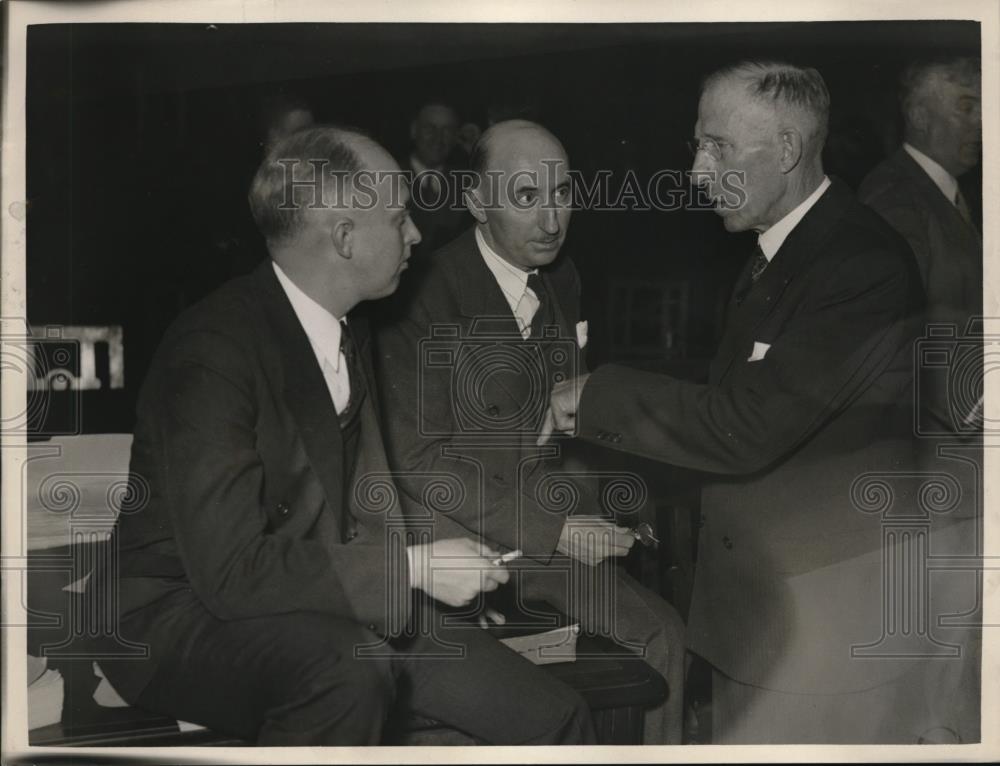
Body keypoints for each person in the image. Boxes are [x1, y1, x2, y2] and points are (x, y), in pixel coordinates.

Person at [99, 125, 594, 746]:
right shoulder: (211, 352)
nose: (415, 233)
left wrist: (444, 580)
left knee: (556, 716)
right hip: (177, 615)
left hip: (318, 595)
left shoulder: (348, 329)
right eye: (398, 218)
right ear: (344, 238)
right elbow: (230, 573)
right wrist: (412, 571)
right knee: (347, 675)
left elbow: (371, 505)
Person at [539, 62, 952, 744]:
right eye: (697, 147)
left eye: (718, 148)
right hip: (769, 614)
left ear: (786, 151)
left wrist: (596, 394)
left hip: (822, 632)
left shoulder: (857, 266)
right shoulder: (785, 250)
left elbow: (745, 425)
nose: (698, 173)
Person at [376, 119, 685, 744]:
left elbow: (558, 431)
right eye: (525, 197)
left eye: (563, 193)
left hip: (542, 536)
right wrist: (560, 529)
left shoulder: (560, 277)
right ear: (476, 202)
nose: (551, 221)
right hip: (452, 546)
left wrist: (603, 514)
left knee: (661, 635)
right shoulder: (416, 295)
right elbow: (421, 463)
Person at [859, 56, 982, 429]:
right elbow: (897, 326)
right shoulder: (894, 196)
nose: (983, 121)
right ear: (919, 116)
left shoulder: (947, 193)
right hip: (936, 434)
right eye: (967, 107)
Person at [406, 101, 471, 255]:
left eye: (447, 130)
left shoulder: (467, 185)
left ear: (456, 136)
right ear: (414, 130)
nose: (438, 138)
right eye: (430, 128)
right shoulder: (387, 177)